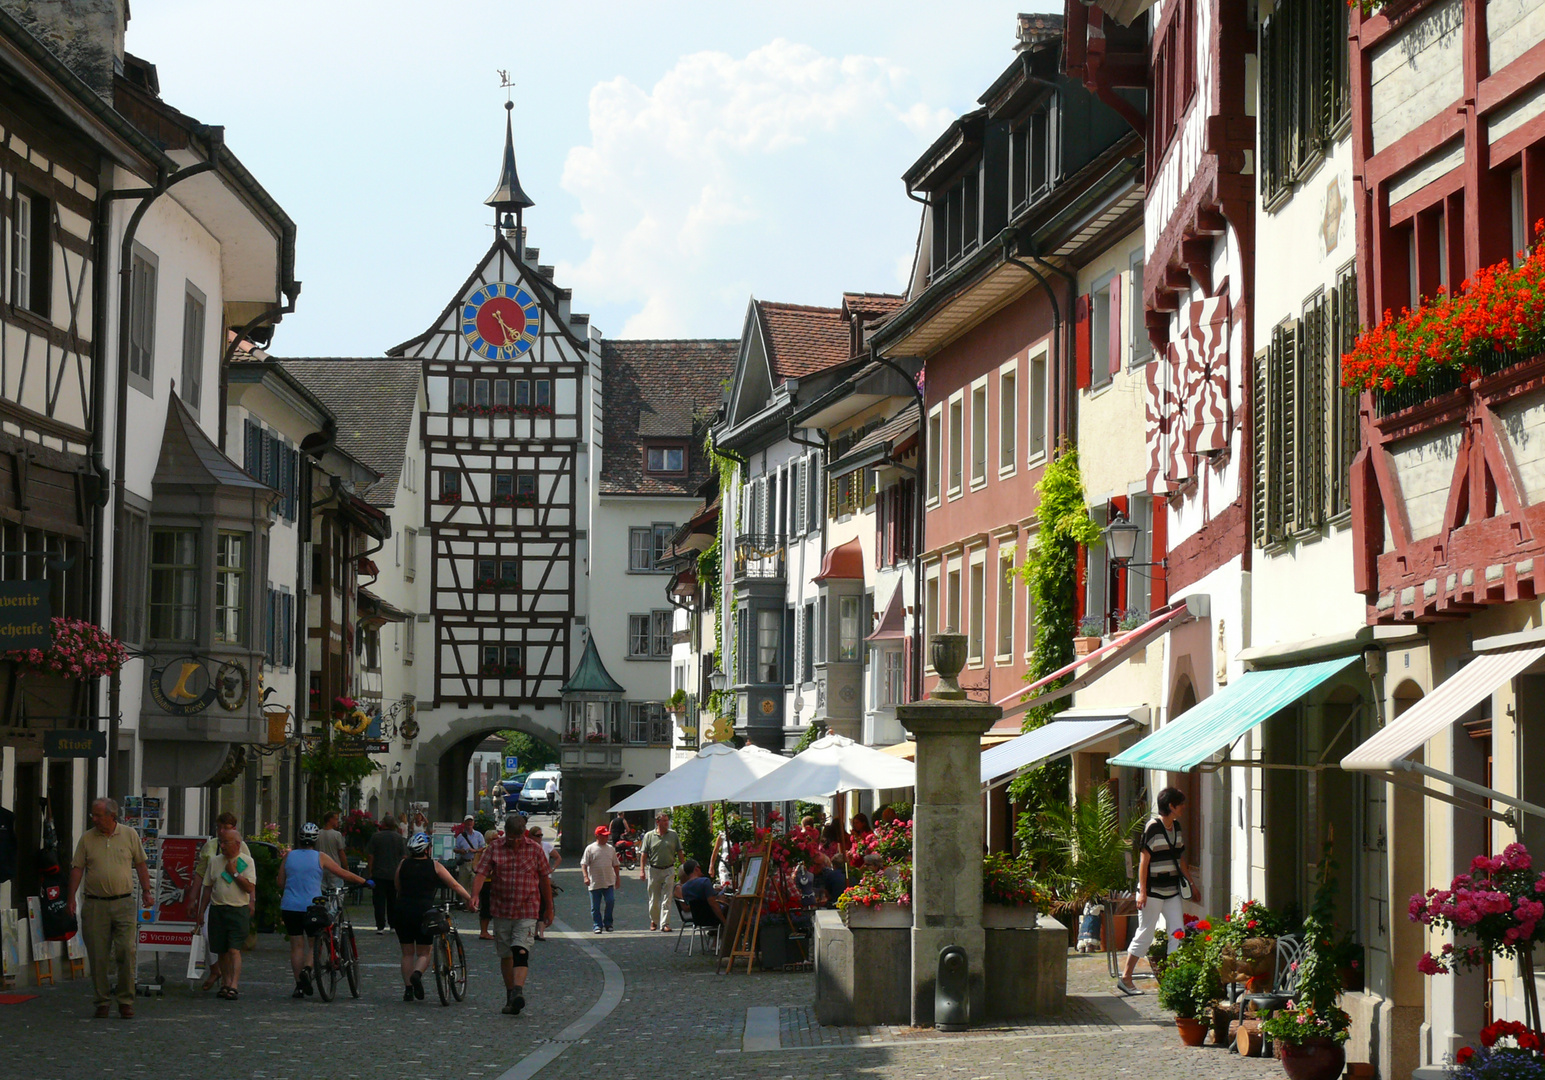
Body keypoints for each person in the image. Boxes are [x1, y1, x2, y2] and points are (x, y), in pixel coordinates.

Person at [68, 798, 151, 1019]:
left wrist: (147, 891)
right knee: (98, 956)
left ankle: (125, 1000)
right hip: (95, 904)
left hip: (123, 902)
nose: (94, 819)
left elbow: (141, 864)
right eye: (93, 815)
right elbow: (77, 868)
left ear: (112, 816)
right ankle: (102, 1001)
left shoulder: (129, 835)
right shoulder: (87, 838)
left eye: (98, 815)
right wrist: (71, 897)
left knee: (126, 950)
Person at [470, 814, 554, 1016]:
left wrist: (549, 907)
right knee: (506, 954)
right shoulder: (495, 848)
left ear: (523, 834)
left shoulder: (534, 849)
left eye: (518, 837)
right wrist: (474, 895)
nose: (515, 841)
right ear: (505, 833)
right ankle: (510, 995)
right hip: (501, 909)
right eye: (511, 837)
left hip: (527, 908)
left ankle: (518, 990)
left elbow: (544, 879)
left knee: (521, 950)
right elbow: (481, 872)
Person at [276, 822, 367, 998]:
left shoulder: (289, 856)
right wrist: (364, 881)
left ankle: (299, 986)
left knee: (296, 946)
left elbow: (280, 882)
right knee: (314, 944)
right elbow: (342, 873)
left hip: (290, 906)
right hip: (312, 908)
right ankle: (308, 969)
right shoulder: (320, 857)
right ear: (315, 840)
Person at [1118, 787, 1193, 996]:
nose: (1184, 807)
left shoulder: (1176, 827)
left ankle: (1172, 981)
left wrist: (1192, 884)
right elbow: (1144, 861)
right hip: (1151, 892)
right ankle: (1126, 978)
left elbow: (1180, 859)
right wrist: (1142, 891)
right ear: (1171, 806)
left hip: (1172, 891)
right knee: (1145, 933)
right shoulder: (1152, 827)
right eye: (1181, 804)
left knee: (1177, 931)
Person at [394, 832, 471, 1002]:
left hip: (402, 910)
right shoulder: (434, 866)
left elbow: (397, 886)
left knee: (407, 953)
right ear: (427, 850)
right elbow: (454, 884)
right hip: (424, 912)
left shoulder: (403, 864)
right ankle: (417, 974)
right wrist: (469, 899)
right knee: (424, 952)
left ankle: (408, 990)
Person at [188, 812, 250, 991]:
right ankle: (215, 970)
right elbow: (200, 874)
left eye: (226, 828)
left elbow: (245, 867)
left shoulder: (241, 846)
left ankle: (226, 978)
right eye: (219, 828)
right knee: (208, 935)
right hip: (214, 899)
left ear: (234, 829)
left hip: (234, 899)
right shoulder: (210, 846)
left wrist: (251, 900)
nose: (222, 831)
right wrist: (193, 899)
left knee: (230, 946)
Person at [198, 829, 256, 1001]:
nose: (222, 846)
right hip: (218, 909)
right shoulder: (215, 862)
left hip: (238, 910)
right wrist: (201, 911)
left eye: (225, 843)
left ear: (237, 844)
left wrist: (234, 873)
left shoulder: (247, 861)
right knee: (221, 950)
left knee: (234, 949)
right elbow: (207, 888)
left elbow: (249, 887)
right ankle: (226, 982)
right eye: (221, 843)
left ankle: (234, 985)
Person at [638, 811, 682, 932]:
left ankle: (665, 924)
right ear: (657, 822)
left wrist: (683, 867)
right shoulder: (649, 836)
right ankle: (654, 920)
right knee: (654, 899)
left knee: (667, 898)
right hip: (654, 870)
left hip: (669, 869)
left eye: (667, 820)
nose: (667, 823)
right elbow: (644, 854)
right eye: (664, 821)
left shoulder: (673, 835)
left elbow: (679, 851)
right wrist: (642, 870)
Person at [365, 814, 407, 935]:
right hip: (394, 874)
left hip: (379, 874)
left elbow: (370, 855)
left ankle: (380, 926)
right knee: (393, 900)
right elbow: (404, 856)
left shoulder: (376, 837)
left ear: (383, 824)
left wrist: (370, 870)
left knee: (379, 901)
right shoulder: (399, 838)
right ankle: (393, 925)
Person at [581, 826, 622, 934]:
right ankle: (597, 925)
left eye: (607, 835)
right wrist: (586, 876)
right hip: (594, 882)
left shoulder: (610, 849)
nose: (606, 837)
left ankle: (608, 923)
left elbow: (616, 864)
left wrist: (618, 878)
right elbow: (584, 864)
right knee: (595, 907)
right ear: (597, 836)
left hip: (608, 881)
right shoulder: (590, 848)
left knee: (610, 901)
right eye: (603, 836)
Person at [674, 859, 727, 927]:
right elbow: (713, 904)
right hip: (712, 917)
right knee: (730, 906)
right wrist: (724, 922)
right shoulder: (705, 881)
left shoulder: (684, 887)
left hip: (697, 918)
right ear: (696, 869)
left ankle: (715, 932)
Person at [315, 811, 348, 889]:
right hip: (334, 867)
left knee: (322, 891)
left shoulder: (317, 834)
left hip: (321, 866)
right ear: (330, 820)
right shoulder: (337, 835)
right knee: (336, 890)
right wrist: (346, 868)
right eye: (336, 819)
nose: (337, 821)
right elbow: (341, 852)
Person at [454, 815, 486, 896]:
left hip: (474, 863)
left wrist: (474, 851)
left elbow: (483, 848)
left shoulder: (478, 835)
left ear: (473, 823)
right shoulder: (460, 837)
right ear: (465, 823)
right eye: (467, 821)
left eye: (471, 821)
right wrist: (461, 851)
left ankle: (474, 903)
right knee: (463, 885)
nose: (469, 823)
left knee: (474, 884)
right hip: (464, 863)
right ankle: (465, 904)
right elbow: (455, 849)